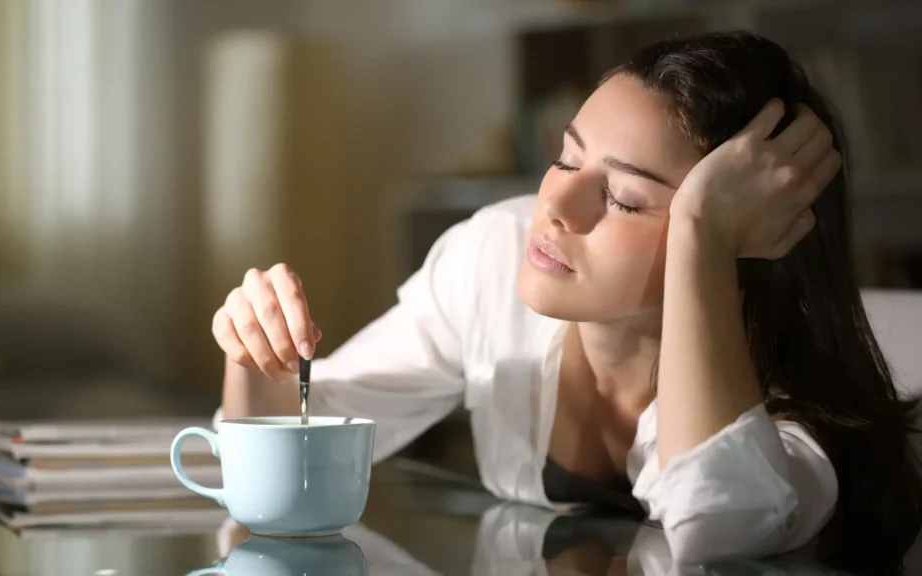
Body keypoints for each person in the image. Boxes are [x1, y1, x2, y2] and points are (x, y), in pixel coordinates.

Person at [210, 31, 922, 573]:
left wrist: (701, 235)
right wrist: (254, 355)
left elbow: (720, 529)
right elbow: (300, 434)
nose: (553, 205)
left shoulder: (794, 404)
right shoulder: (492, 257)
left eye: (621, 197)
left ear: (744, 243)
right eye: (566, 157)